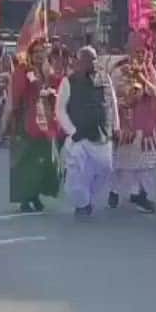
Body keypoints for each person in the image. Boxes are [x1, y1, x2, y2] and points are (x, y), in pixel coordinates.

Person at [56, 46, 120, 219]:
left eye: (92, 59)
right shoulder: (68, 82)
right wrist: (71, 131)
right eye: (86, 59)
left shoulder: (104, 79)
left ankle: (88, 195)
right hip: (79, 136)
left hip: (101, 134)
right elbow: (60, 109)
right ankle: (82, 204)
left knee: (105, 168)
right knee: (77, 171)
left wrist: (116, 126)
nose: (90, 63)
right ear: (78, 62)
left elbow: (112, 103)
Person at [2, 40, 61, 213]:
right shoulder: (24, 71)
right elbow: (17, 97)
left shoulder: (46, 71)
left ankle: (35, 195)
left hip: (46, 123)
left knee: (46, 162)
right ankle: (25, 199)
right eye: (35, 52)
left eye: (42, 52)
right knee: (26, 163)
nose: (39, 55)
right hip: (26, 123)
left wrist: (51, 92)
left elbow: (55, 86)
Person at [109, 34, 156, 214]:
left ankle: (140, 193)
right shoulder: (119, 70)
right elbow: (115, 95)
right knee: (122, 162)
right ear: (130, 52)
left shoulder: (151, 70)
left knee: (144, 163)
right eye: (137, 52)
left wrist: (142, 78)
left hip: (146, 124)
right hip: (126, 123)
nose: (141, 55)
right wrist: (130, 94)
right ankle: (114, 191)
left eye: (144, 52)